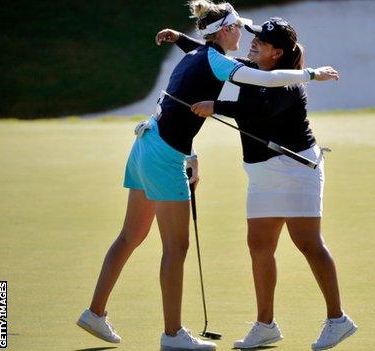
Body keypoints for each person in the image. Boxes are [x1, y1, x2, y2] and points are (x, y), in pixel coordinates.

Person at [76, 1, 339, 350]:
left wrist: (192, 153)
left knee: (130, 236)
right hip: (164, 155)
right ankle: (173, 336)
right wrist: (312, 74)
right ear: (225, 31)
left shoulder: (195, 57)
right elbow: (266, 79)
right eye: (238, 29)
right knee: (175, 247)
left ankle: (95, 312)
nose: (243, 35)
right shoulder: (217, 60)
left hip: (146, 145)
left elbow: (191, 83)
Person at [167, 17, 357, 351]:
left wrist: (217, 106)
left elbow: (258, 111)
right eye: (254, 38)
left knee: (308, 243)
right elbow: (209, 55)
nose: (253, 43)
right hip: (261, 172)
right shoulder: (251, 68)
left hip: (296, 168)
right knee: (259, 247)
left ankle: (337, 319)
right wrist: (180, 39)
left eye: (262, 43)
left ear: (277, 54)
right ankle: (265, 325)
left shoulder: (286, 84)